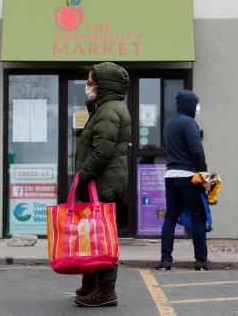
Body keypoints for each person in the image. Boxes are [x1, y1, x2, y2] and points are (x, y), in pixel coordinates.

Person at [73, 62, 131, 307]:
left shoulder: (109, 111)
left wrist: (81, 176)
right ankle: (91, 285)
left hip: (103, 185)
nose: (88, 87)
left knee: (102, 238)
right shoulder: (105, 108)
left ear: (103, 85)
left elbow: (102, 151)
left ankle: (106, 291)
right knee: (92, 234)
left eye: (91, 83)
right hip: (103, 184)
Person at [156, 90, 210, 271]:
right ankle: (201, 261)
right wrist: (204, 171)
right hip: (189, 177)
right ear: (190, 105)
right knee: (198, 217)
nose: (197, 107)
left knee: (170, 217)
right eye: (196, 103)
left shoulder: (169, 124)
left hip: (170, 176)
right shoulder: (190, 123)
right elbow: (197, 150)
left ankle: (165, 260)